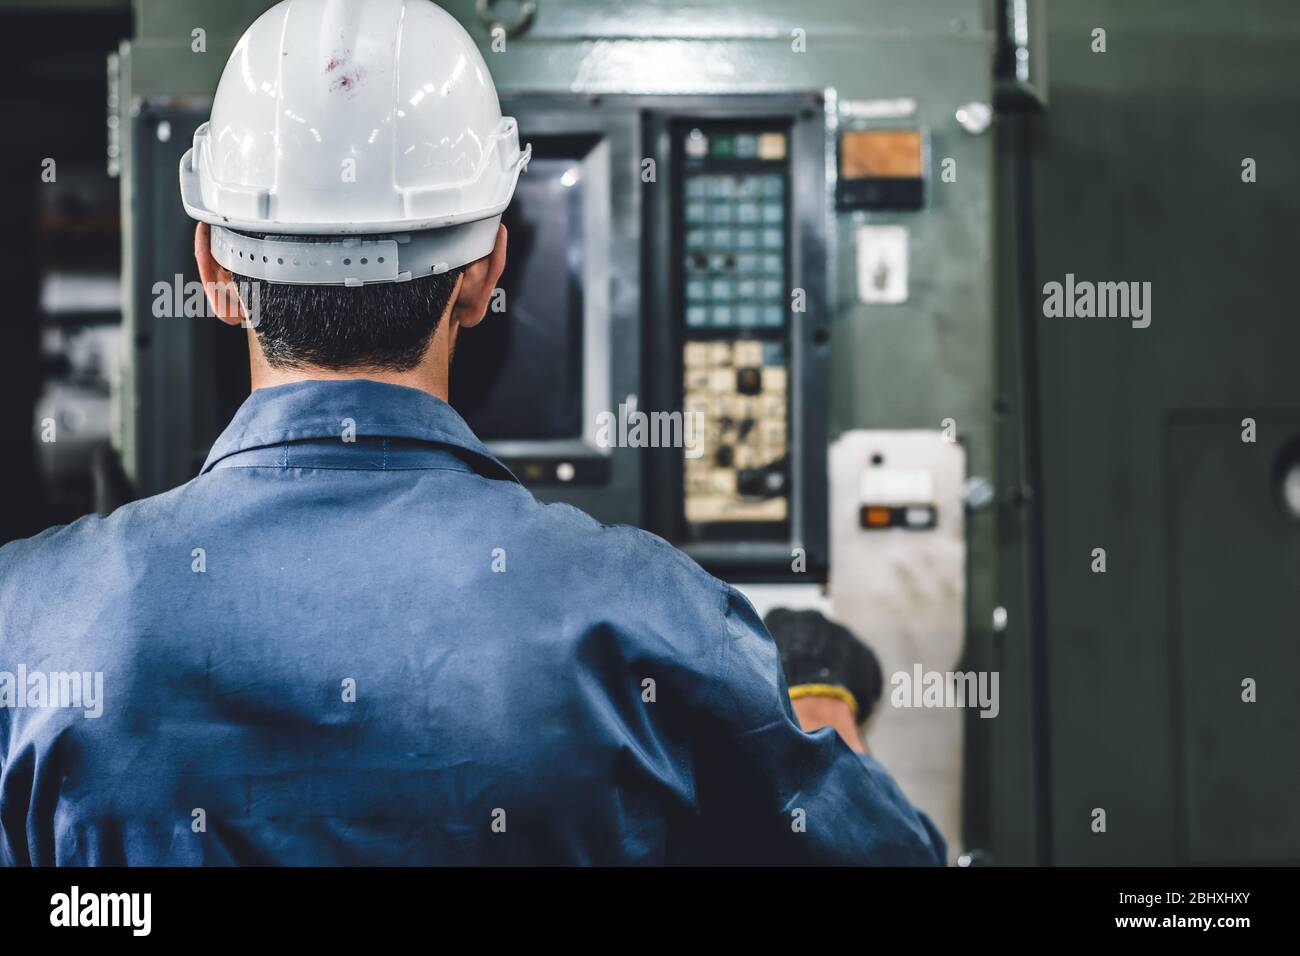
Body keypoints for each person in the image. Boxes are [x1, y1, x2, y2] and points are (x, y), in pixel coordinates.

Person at [0, 0, 944, 865]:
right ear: (487, 270)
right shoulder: (648, 622)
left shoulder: (33, 621)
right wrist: (814, 707)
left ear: (211, 267)